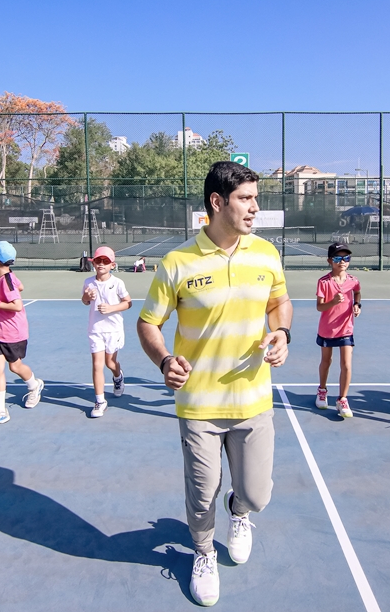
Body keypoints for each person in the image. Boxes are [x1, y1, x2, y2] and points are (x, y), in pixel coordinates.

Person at [138, 161, 292, 607]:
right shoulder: (177, 262)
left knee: (257, 495)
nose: (255, 207)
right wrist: (164, 358)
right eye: (246, 198)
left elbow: (280, 303)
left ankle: (239, 513)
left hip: (253, 401)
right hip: (200, 406)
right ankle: (202, 552)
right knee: (202, 494)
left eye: (256, 198)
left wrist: (281, 333)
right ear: (217, 202)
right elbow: (148, 323)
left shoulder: (265, 253)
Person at [0, 240, 44, 429]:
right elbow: (19, 286)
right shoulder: (5, 277)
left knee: (15, 367)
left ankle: (34, 385)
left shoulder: (5, 280)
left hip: (13, 332)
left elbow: (17, 305)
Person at [81, 245, 132, 418]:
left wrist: (111, 308)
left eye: (105, 261)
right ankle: (100, 401)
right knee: (97, 364)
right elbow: (84, 301)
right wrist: (87, 298)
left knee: (110, 363)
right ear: (93, 263)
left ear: (112, 265)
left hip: (113, 330)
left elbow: (128, 303)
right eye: (98, 261)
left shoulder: (117, 283)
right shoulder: (88, 282)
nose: (101, 264)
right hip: (95, 329)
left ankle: (118, 376)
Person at [315, 242, 361, 419]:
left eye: (346, 258)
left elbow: (357, 292)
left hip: (346, 328)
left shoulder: (353, 280)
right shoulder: (323, 282)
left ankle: (342, 399)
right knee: (326, 361)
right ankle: (322, 390)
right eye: (337, 258)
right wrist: (333, 302)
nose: (342, 261)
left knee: (347, 365)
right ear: (329, 261)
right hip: (327, 329)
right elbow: (319, 307)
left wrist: (357, 305)